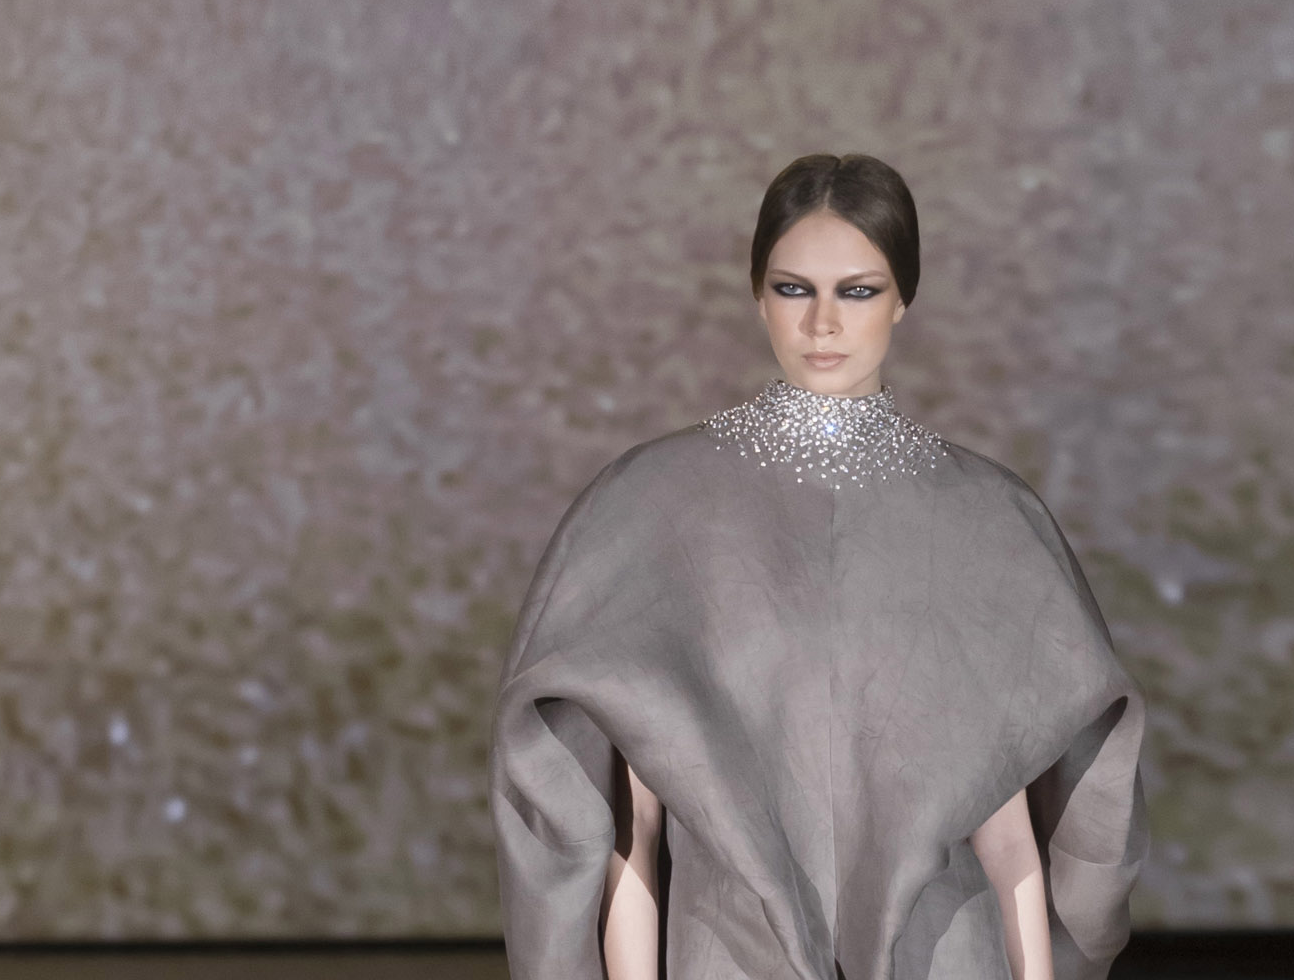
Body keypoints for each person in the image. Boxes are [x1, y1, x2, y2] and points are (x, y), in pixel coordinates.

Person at [490, 153, 1147, 980]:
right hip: (730, 954)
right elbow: (631, 826)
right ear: (757, 294)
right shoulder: (651, 508)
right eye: (794, 288)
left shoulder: (989, 520)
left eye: (858, 291)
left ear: (904, 297)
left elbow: (1010, 834)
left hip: (944, 952)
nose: (823, 323)